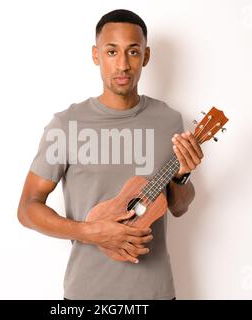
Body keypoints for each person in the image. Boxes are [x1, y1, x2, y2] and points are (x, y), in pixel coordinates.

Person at [17, 9, 203, 300]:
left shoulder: (169, 120)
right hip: (87, 294)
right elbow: (27, 209)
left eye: (133, 51)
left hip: (155, 292)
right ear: (96, 55)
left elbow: (178, 207)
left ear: (146, 56)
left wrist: (182, 176)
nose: (123, 65)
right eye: (112, 51)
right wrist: (91, 232)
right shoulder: (66, 125)